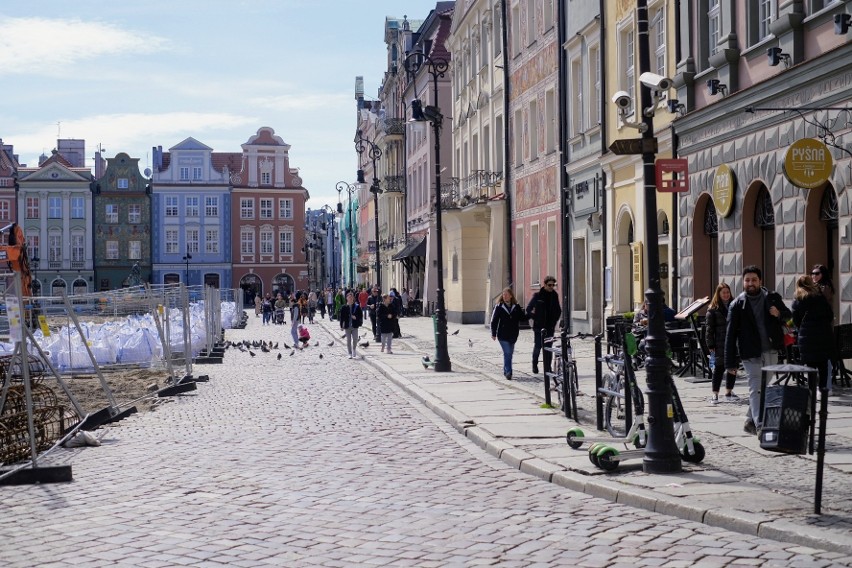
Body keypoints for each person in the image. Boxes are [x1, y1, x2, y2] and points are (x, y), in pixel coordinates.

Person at [725, 265, 792, 435]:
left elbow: (789, 317)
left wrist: (779, 314)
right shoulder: (737, 305)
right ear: (743, 282)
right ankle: (760, 424)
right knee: (756, 388)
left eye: (754, 280)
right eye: (747, 280)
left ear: (760, 281)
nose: (750, 283)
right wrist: (730, 363)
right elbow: (730, 335)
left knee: (763, 385)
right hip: (750, 353)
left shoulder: (772, 297)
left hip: (771, 350)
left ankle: (750, 419)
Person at [792, 275, 835, 392]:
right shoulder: (820, 297)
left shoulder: (798, 300)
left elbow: (796, 321)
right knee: (823, 365)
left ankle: (811, 392)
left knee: (810, 367)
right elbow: (830, 315)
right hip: (823, 335)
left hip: (807, 339)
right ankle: (823, 391)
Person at [705, 282, 738, 404]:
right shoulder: (713, 310)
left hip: (733, 341)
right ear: (718, 294)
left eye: (728, 292)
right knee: (718, 368)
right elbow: (709, 330)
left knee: (733, 367)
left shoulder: (734, 306)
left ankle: (729, 391)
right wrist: (710, 344)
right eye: (723, 293)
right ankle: (715, 394)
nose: (726, 295)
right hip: (719, 342)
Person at [526, 276, 561, 374]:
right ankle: (534, 364)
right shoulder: (538, 296)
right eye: (549, 285)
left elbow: (558, 310)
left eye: (553, 285)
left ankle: (548, 368)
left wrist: (555, 321)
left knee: (548, 348)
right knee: (538, 346)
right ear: (544, 285)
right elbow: (528, 309)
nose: (551, 287)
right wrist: (535, 317)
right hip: (539, 327)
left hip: (550, 327)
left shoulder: (555, 295)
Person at [490, 287, 526, 380]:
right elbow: (494, 321)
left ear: (511, 296)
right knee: (508, 352)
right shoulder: (499, 307)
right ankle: (509, 372)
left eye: (506, 295)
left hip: (513, 334)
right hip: (502, 334)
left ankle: (506, 370)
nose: (504, 296)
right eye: (503, 295)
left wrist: (531, 313)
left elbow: (522, 318)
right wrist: (493, 333)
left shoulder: (516, 306)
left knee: (509, 354)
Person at [339, 292, 363, 359]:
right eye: (349, 297)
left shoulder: (357, 306)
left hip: (354, 326)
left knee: (355, 339)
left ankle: (354, 349)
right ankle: (349, 353)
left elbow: (360, 316)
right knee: (348, 340)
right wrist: (341, 326)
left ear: (353, 298)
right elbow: (342, 317)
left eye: (351, 297)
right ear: (346, 298)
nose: (350, 299)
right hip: (347, 326)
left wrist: (356, 317)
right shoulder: (344, 307)